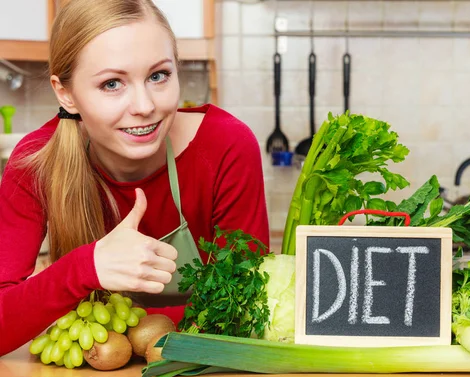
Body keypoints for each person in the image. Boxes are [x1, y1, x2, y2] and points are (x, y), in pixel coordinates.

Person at [0, 0, 269, 357]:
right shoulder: (36, 160)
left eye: (158, 76)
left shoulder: (226, 146)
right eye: (112, 83)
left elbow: (247, 304)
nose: (144, 105)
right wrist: (86, 266)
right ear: (66, 94)